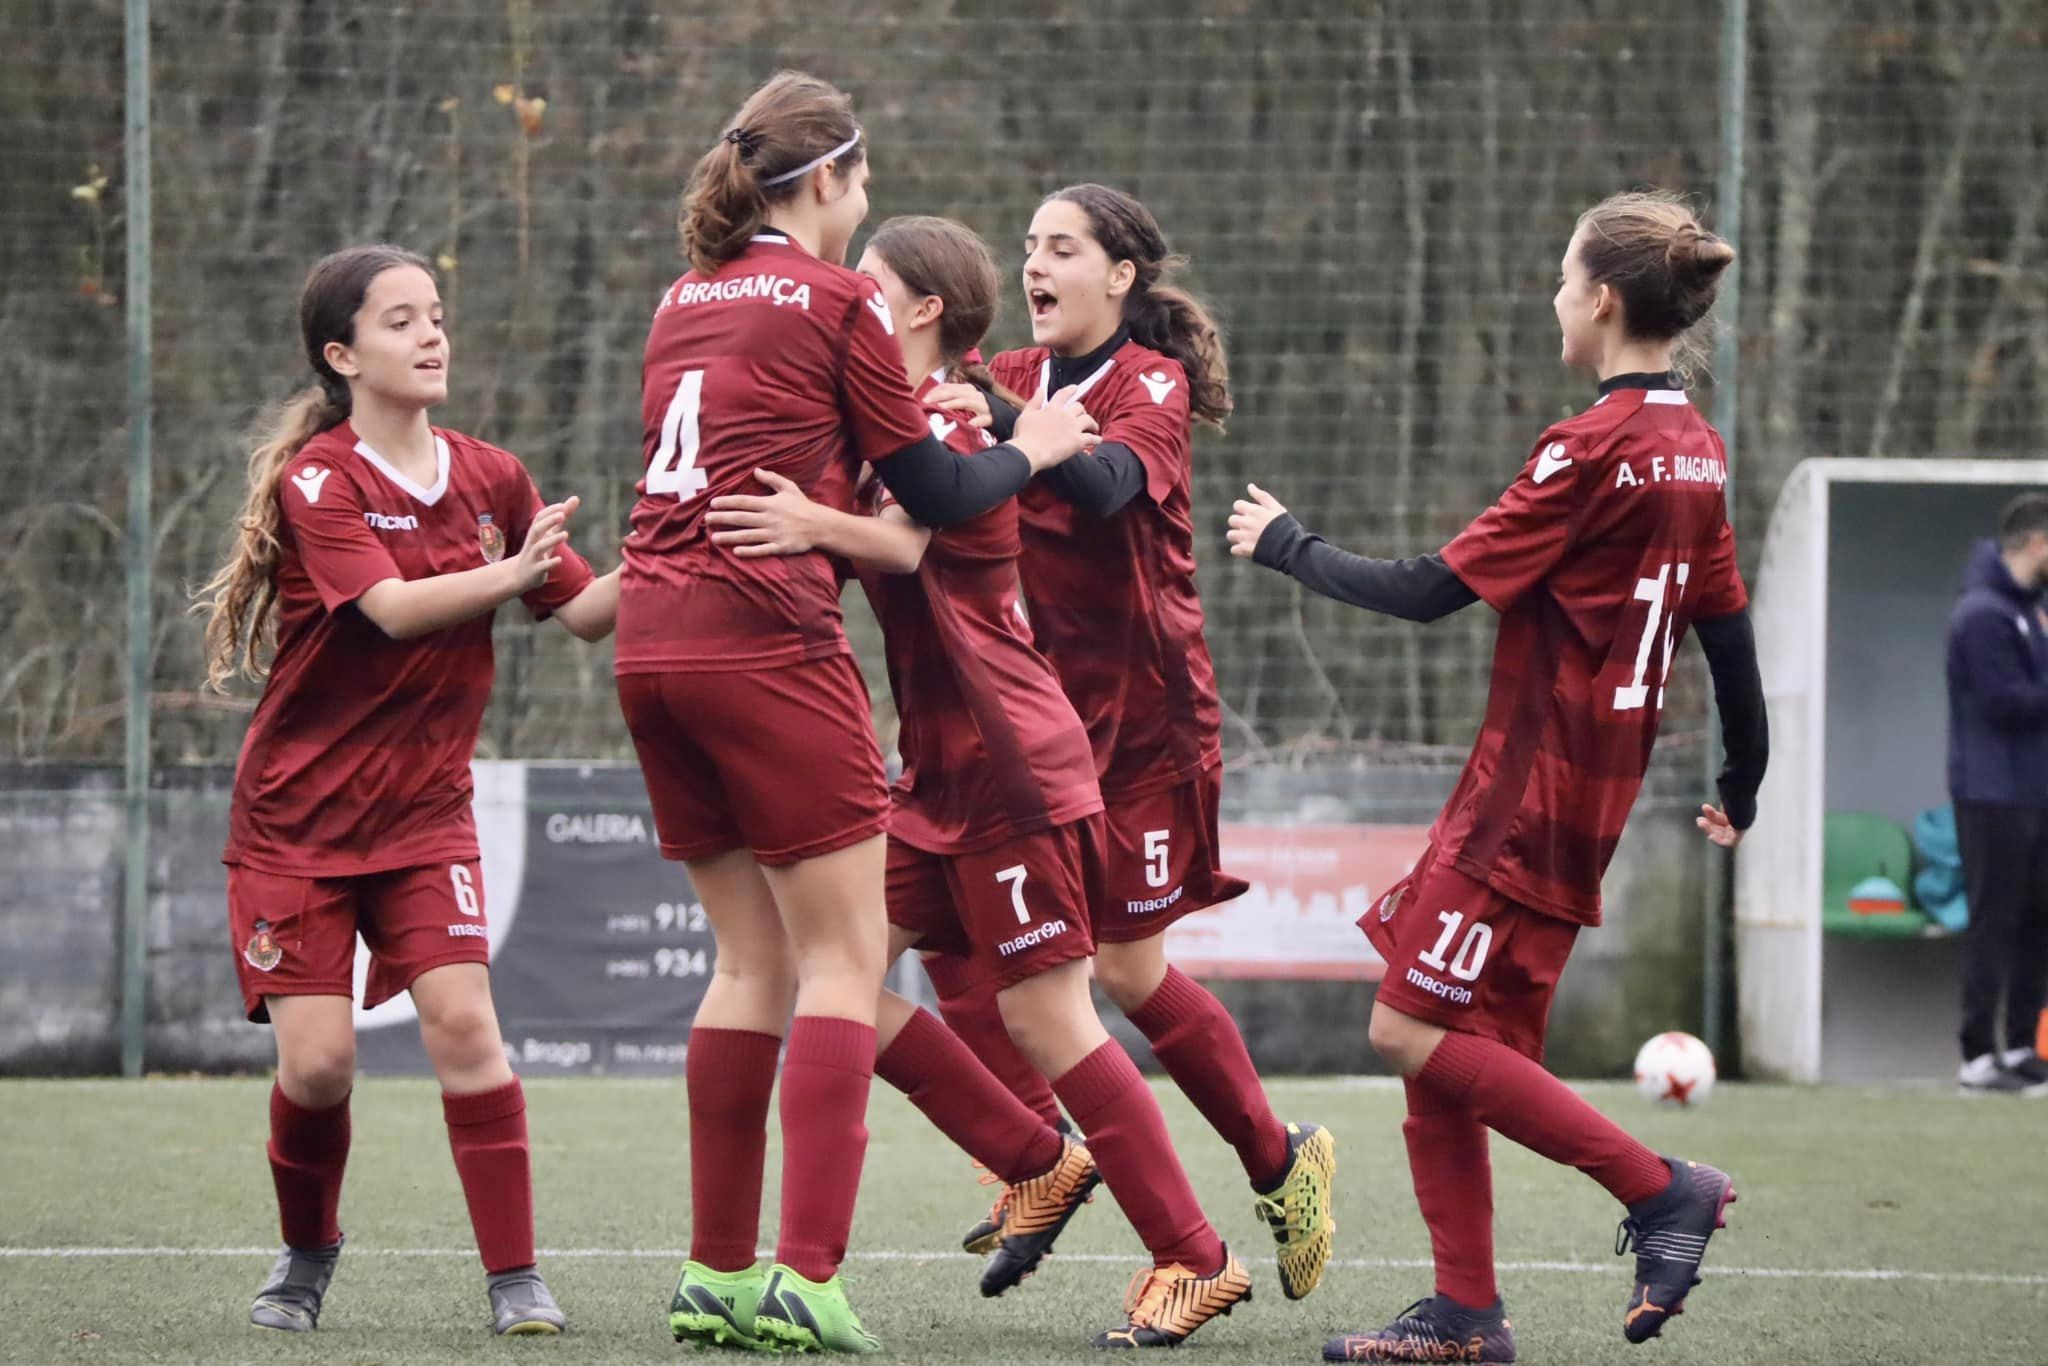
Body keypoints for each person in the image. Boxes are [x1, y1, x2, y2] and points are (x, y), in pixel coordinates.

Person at [1227, 191, 1769, 1361]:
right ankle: (1465, 1313)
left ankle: (1657, 1185)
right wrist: (1746, 773)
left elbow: (1430, 588)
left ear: (1603, 300)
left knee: (1401, 1027)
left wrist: (1288, 546)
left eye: (1562, 278)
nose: (1552, 297)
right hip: (1590, 807)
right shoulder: (1696, 449)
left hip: (1520, 805)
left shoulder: (1592, 447)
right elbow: (1725, 632)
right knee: (1451, 1041)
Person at [706, 214, 1252, 1347]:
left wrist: (813, 516)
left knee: (1045, 1012)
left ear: (913, 312)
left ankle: (1195, 1257)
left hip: (1011, 762)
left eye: (862, 286)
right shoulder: (902, 410)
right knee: (835, 970)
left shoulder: (951, 411)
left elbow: (913, 538)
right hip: (939, 773)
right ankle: (1034, 1158)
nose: (838, 298)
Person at [613, 73, 1096, 1355]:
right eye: (864, 181)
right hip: (760, 640)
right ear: (827, 177)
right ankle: (807, 1276)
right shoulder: (832, 301)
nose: (865, 203)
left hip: (649, 645)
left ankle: (714, 1274)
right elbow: (936, 488)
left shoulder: (682, 295)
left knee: (747, 963)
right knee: (838, 963)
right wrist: (1034, 448)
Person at [194, 244, 619, 1336]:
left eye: (435, 313)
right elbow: (387, 608)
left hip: (426, 817)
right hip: (295, 823)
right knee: (323, 1066)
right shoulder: (321, 479)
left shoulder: (490, 475)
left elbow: (584, 611)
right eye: (399, 320)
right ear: (342, 355)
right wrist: (512, 574)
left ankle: (516, 1277)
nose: (431, 334)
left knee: (467, 1027)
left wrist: (687, 532)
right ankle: (305, 1253)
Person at [927, 183, 1338, 1305]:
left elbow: (1108, 484)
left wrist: (1007, 423)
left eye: (1060, 247)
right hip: (1029, 723)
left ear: (1120, 277)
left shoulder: (1141, 382)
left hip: (1141, 727)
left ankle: (1274, 1160)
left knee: (1121, 968)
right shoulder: (1005, 374)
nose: (1033, 265)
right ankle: (1036, 1153)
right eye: (1026, 247)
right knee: (955, 938)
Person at [1945, 491, 2048, 1096]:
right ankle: (1977, 1054)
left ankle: (2020, 1048)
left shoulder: (2031, 611)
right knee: (1995, 922)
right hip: (1990, 793)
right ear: (2036, 543)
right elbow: (2004, 703)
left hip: (2035, 791)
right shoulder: (1981, 614)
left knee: (2038, 922)